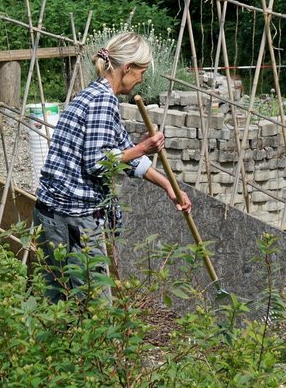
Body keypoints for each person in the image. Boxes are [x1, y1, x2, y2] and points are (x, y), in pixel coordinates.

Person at [34, 32, 192, 303]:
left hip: (54, 211)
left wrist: (169, 186)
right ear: (127, 68)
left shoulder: (96, 94)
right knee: (93, 307)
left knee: (59, 305)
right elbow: (97, 163)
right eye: (141, 71)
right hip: (70, 217)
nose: (142, 78)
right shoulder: (102, 101)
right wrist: (143, 148)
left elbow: (126, 156)